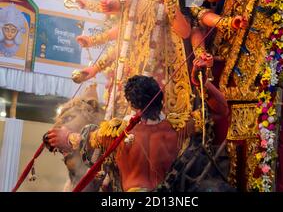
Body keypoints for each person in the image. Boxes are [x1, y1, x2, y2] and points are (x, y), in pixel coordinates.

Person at [46, 70, 229, 192]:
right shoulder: (178, 127)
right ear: (161, 99)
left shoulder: (114, 132)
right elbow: (221, 110)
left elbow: (80, 140)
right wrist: (205, 83)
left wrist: (65, 136)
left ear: (131, 104)